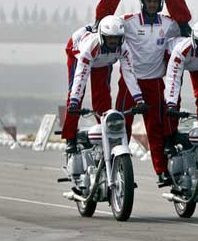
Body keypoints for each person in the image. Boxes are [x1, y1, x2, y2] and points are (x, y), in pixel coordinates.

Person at [116, 0, 180, 185]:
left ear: (160, 3)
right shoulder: (128, 22)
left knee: (156, 128)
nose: (152, 4)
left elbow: (186, 31)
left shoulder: (169, 24)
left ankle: (161, 170)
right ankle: (118, 169)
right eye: (148, 1)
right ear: (142, 2)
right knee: (121, 125)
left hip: (155, 83)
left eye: (155, 1)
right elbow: (106, 26)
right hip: (130, 82)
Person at [61, 16, 146, 154]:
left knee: (103, 96)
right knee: (75, 97)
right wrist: (74, 101)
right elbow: (80, 77)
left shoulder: (124, 48)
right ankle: (70, 137)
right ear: (102, 37)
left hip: (103, 60)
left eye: (116, 38)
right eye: (110, 38)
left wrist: (139, 100)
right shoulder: (90, 48)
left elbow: (129, 74)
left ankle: (106, 133)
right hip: (78, 53)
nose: (113, 42)